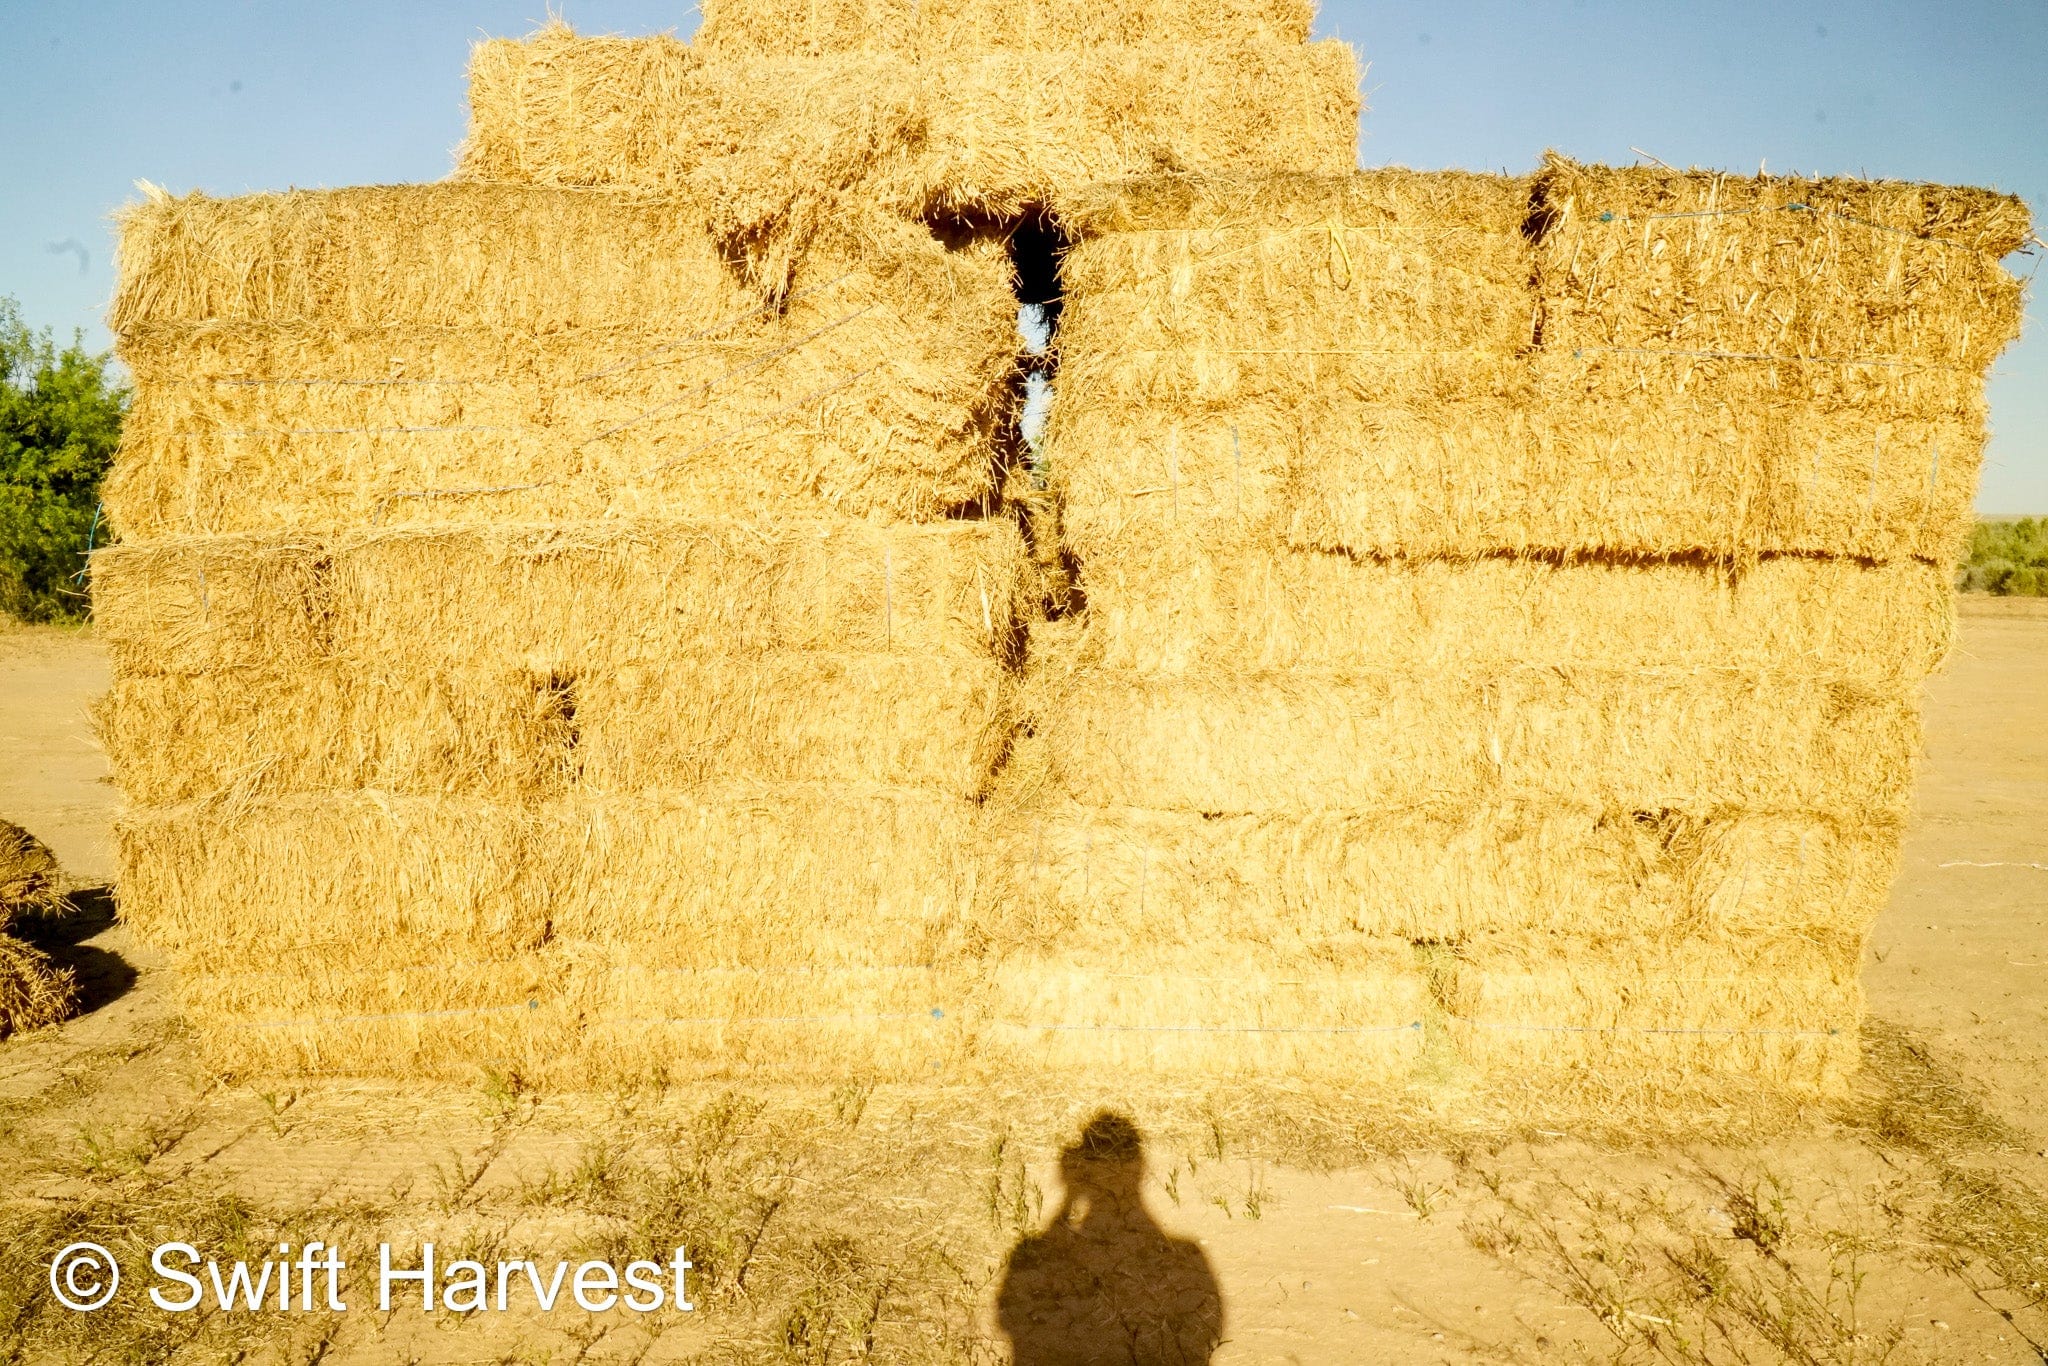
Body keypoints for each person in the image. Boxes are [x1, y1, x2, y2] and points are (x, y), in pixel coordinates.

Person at [997, 1110, 1224, 1364]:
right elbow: (1210, 1326)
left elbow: (1007, 1318)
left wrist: (1068, 1200)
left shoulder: (1033, 1250)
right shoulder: (1187, 1252)